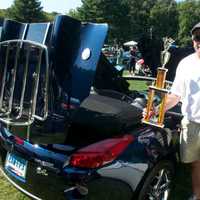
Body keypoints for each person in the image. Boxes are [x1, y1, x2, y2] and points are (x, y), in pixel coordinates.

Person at [145, 22, 200, 200]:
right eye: (197, 37)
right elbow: (175, 95)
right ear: (193, 40)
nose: (199, 41)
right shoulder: (185, 64)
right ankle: (197, 194)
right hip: (191, 123)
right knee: (194, 163)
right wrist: (155, 109)